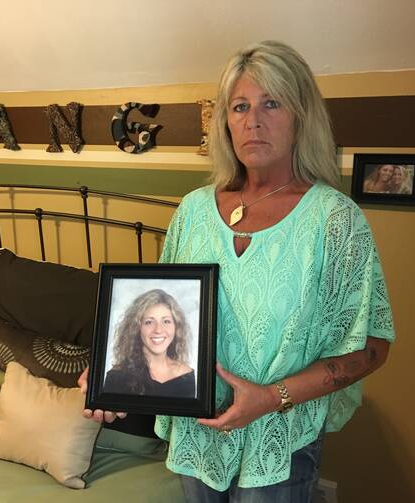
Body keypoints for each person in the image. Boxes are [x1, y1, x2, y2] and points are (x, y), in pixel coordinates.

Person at [80, 40, 394, 502]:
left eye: (272, 103)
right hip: (198, 434)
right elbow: (157, 309)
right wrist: (112, 375)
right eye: (240, 107)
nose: (254, 121)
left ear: (301, 115)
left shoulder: (335, 221)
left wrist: (271, 398)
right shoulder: (191, 212)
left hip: (278, 438)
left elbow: (371, 347)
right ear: (225, 123)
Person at [103, 288, 195, 398]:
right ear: (136, 328)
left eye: (166, 321)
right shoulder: (116, 377)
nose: (158, 330)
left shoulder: (187, 376)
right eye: (149, 322)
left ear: (176, 327)